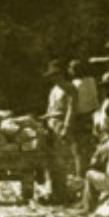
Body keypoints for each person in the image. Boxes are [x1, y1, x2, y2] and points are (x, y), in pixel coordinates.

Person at [43, 63, 78, 204]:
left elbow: (71, 110)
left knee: (61, 161)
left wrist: (66, 128)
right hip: (51, 123)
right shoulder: (54, 90)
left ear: (61, 75)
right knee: (51, 161)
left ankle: (62, 194)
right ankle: (54, 192)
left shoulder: (70, 89)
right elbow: (51, 109)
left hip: (62, 124)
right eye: (52, 76)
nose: (53, 79)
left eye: (55, 75)